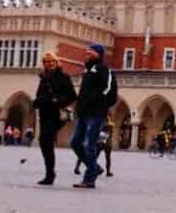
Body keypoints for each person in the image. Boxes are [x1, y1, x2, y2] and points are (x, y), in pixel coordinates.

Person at [70, 44, 117, 189]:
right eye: (88, 50)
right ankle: (94, 167)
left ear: (99, 54)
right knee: (75, 143)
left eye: (91, 50)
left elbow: (109, 91)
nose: (88, 52)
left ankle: (89, 179)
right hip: (84, 113)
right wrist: (79, 107)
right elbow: (83, 94)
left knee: (90, 145)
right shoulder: (88, 71)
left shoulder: (104, 69)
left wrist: (98, 104)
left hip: (96, 114)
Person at [32, 52, 76, 185]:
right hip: (44, 113)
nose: (49, 64)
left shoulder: (64, 77)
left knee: (46, 139)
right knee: (45, 142)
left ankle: (50, 174)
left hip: (56, 114)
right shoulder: (43, 78)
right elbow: (40, 94)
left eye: (52, 61)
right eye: (46, 62)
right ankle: (50, 173)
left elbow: (72, 96)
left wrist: (57, 101)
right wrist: (37, 101)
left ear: (57, 63)